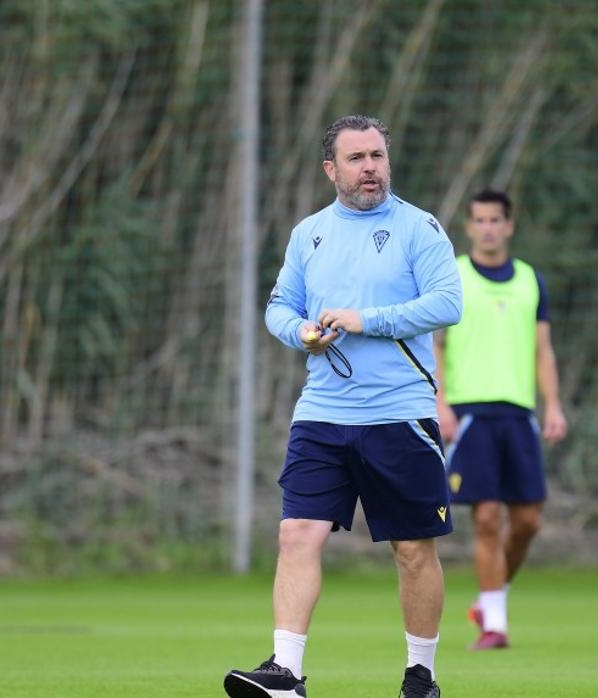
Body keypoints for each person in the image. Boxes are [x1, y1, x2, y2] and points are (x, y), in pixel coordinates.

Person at [223, 115, 462, 698]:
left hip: (400, 414)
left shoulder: (419, 228)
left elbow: (448, 303)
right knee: (297, 532)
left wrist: (367, 321)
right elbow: (279, 307)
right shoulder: (309, 233)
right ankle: (286, 673)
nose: (371, 168)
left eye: (377, 155)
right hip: (322, 413)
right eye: (356, 159)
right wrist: (301, 332)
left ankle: (420, 677)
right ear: (332, 170)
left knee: (411, 549)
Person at [432, 189, 568, 651]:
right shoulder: (452, 277)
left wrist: (552, 405)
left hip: (518, 414)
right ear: (469, 227)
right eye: (480, 220)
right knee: (487, 517)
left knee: (528, 522)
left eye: (496, 220)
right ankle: (494, 623)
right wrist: (441, 403)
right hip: (470, 414)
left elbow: (542, 349)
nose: (488, 227)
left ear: (509, 226)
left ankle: (490, 600)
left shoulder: (531, 280)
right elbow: (436, 347)